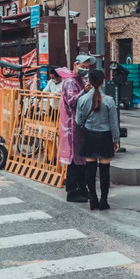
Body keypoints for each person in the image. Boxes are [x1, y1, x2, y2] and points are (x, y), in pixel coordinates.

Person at [76, 70, 120, 211]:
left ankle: (92, 199)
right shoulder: (109, 100)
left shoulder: (82, 99)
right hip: (104, 137)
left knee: (90, 168)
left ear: (90, 81)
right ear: (103, 81)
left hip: (89, 136)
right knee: (104, 170)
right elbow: (114, 123)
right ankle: (104, 201)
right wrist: (116, 139)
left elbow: (78, 121)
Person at [57, 55, 95, 203]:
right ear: (75, 64)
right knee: (74, 160)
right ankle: (72, 191)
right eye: (83, 66)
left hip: (81, 126)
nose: (85, 70)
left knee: (82, 159)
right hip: (72, 127)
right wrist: (83, 92)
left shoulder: (81, 81)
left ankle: (82, 189)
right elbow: (72, 103)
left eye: (87, 67)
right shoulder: (70, 82)